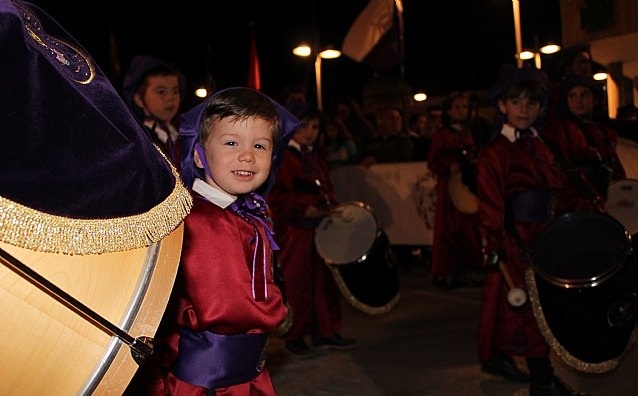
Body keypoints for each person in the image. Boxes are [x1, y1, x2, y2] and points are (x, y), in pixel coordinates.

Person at [131, 87, 298, 395]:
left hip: (243, 372)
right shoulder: (206, 221)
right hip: (210, 384)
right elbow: (229, 307)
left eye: (260, 145)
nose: (247, 155)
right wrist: (278, 308)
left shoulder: (246, 212)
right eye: (231, 143)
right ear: (198, 154)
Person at [477, 65, 588, 396]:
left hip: (549, 237)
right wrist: (498, 241)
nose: (524, 109)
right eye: (516, 101)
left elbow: (562, 188)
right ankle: (541, 379)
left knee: (548, 308)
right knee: (528, 311)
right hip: (518, 240)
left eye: (532, 102)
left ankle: (541, 374)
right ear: (502, 106)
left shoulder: (543, 145)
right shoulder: (494, 152)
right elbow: (491, 201)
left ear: (541, 107)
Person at [268, 104, 356, 358]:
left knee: (325, 282)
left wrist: (331, 205)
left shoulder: (315, 156)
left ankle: (326, 331)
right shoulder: (281, 157)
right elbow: (277, 195)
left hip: (320, 228)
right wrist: (303, 207)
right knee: (298, 283)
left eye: (315, 127)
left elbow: (325, 187)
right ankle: (294, 335)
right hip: (296, 231)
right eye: (304, 126)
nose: (310, 132)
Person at [543, 74, 626, 214]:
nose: (579, 101)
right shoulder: (561, 130)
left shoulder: (604, 131)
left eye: (584, 95)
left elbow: (615, 167)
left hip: (606, 200)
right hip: (576, 203)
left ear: (594, 99)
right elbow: (561, 172)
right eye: (572, 96)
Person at [426, 92, 484, 289]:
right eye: (457, 107)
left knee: (470, 229)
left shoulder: (468, 133)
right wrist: (448, 165)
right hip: (449, 188)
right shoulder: (442, 135)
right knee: (448, 229)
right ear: (449, 111)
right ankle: (445, 272)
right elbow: (433, 163)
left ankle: (470, 270)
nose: (462, 111)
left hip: (466, 186)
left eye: (464, 107)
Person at [122, 55, 186, 167]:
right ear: (139, 99)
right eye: (161, 92)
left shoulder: (184, 133)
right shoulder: (137, 140)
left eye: (175, 91)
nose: (171, 98)